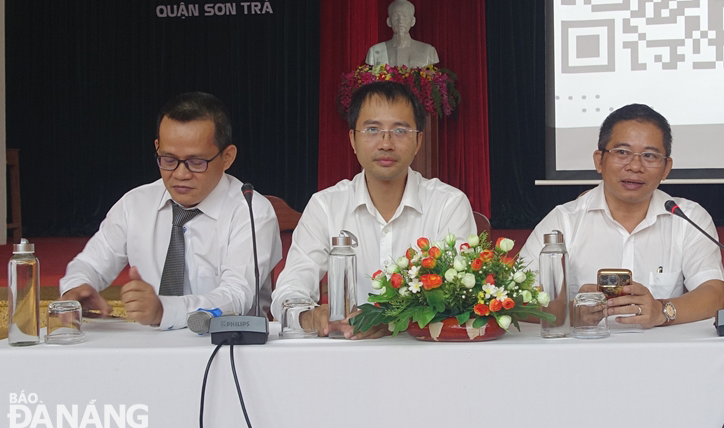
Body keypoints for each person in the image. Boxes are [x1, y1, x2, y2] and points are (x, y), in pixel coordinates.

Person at [59, 92, 281, 330]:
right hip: (147, 346)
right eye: (168, 159)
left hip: (225, 347)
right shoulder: (136, 204)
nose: (180, 174)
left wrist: (164, 311)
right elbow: (91, 263)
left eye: (196, 162)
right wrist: (77, 287)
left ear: (227, 157)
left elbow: (237, 295)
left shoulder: (250, 211)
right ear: (157, 148)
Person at [271, 81, 475, 338]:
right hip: (344, 353)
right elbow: (289, 289)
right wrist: (309, 316)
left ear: (418, 141)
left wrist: (391, 318)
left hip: (423, 354)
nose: (386, 144)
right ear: (353, 140)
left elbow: (460, 296)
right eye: (372, 130)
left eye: (400, 130)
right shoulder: (326, 206)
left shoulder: (448, 204)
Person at [521, 104, 724, 328]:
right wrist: (569, 313)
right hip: (582, 354)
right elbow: (513, 300)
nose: (635, 166)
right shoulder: (564, 221)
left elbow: (712, 294)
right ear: (599, 161)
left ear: (666, 168)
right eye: (622, 153)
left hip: (662, 354)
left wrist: (662, 311)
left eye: (649, 156)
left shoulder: (687, 218)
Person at [364, 0, 440, 68]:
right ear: (389, 21)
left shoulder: (428, 51)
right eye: (396, 16)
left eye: (405, 16)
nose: (400, 21)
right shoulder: (375, 52)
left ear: (413, 21)